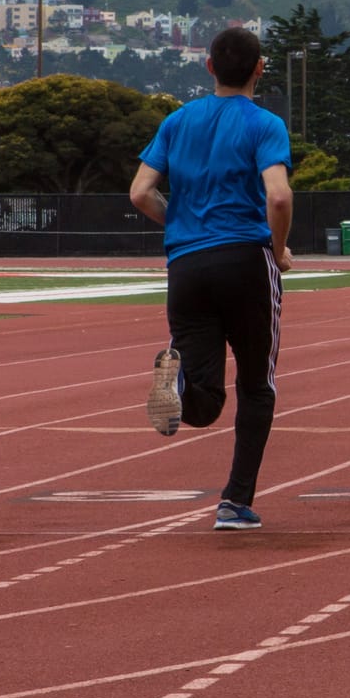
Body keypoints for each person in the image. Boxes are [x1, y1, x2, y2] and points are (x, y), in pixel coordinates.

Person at [127, 27, 294, 531]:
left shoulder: (178, 121)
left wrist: (180, 222)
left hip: (187, 268)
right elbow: (280, 197)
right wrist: (279, 248)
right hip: (245, 260)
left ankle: (178, 381)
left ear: (209, 68)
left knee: (203, 401)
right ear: (260, 68)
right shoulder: (265, 124)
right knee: (256, 386)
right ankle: (234, 503)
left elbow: (139, 193)